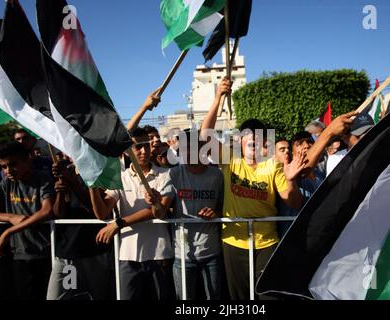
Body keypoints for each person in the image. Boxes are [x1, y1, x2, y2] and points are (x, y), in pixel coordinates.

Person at [200, 78, 356, 300]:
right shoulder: (230, 160)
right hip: (233, 242)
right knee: (240, 298)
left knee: (267, 296)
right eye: (247, 137)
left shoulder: (273, 165)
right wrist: (218, 98)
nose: (252, 141)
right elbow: (206, 134)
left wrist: (291, 180)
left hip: (266, 243)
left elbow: (293, 201)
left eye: (257, 137)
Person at [89, 127, 175, 300]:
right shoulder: (120, 178)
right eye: (138, 147)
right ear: (127, 152)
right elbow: (102, 212)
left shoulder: (166, 174)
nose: (144, 150)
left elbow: (158, 212)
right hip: (128, 256)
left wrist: (119, 223)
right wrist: (91, 186)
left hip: (159, 254)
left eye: (146, 145)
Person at [47, 159, 115, 300]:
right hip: (67, 253)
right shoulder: (63, 172)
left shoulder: (101, 171)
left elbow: (96, 210)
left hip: (94, 252)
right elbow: (59, 213)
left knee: (98, 296)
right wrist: (61, 190)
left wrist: (73, 181)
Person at [169, 130, 224, 300]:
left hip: (211, 252)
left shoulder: (217, 175)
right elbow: (162, 210)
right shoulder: (174, 174)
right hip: (182, 254)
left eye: (195, 146)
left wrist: (215, 213)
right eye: (186, 148)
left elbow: (225, 209)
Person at [0, 142, 54, 300]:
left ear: (28, 161)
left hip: (44, 252)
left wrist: (9, 231)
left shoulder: (42, 178)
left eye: (13, 164)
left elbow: (47, 210)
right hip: (19, 255)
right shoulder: (6, 184)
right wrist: (10, 217)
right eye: (3, 166)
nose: (8, 170)